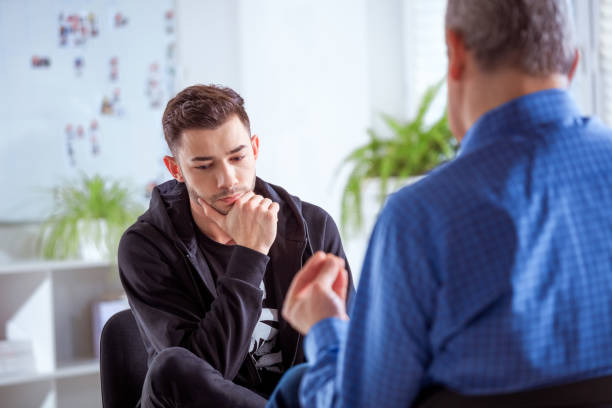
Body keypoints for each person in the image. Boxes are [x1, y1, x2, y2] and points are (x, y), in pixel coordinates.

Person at [267, 1, 612, 407]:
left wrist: (325, 327)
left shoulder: (421, 218)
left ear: (456, 51)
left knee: (297, 386)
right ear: (572, 65)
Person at [118, 84, 354, 408]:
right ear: (176, 169)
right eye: (204, 165)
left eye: (237, 157)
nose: (227, 179)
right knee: (171, 370)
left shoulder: (313, 227)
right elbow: (198, 380)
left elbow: (346, 355)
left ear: (255, 149)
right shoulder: (146, 247)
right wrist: (251, 254)